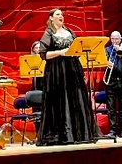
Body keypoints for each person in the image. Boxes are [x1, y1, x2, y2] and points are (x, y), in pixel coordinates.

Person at [35, 8, 98, 146]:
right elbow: (44, 54)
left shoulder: (70, 32)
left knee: (76, 99)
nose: (61, 16)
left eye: (62, 14)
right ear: (51, 18)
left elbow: (77, 49)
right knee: (60, 101)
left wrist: (81, 72)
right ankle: (62, 135)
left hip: (73, 69)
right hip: (56, 71)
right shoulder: (49, 33)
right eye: (58, 14)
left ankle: (80, 134)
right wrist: (60, 52)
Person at [102, 30, 122, 138]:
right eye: (113, 39)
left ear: (120, 39)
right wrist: (106, 63)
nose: (114, 41)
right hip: (111, 80)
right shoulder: (107, 50)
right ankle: (112, 131)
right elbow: (102, 60)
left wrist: (121, 52)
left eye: (117, 39)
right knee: (111, 107)